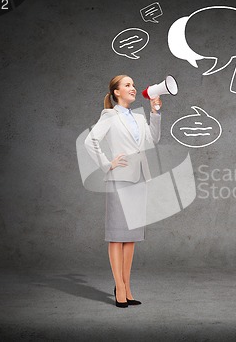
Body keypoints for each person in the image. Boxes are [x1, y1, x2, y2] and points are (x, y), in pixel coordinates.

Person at [84, 75, 162, 308]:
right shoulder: (109, 116)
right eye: (127, 85)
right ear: (116, 92)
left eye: (133, 85)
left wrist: (155, 113)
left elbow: (153, 140)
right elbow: (90, 142)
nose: (133, 88)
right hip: (119, 179)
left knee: (131, 238)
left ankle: (127, 287)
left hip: (139, 179)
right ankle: (119, 286)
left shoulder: (139, 116)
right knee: (117, 235)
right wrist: (108, 164)